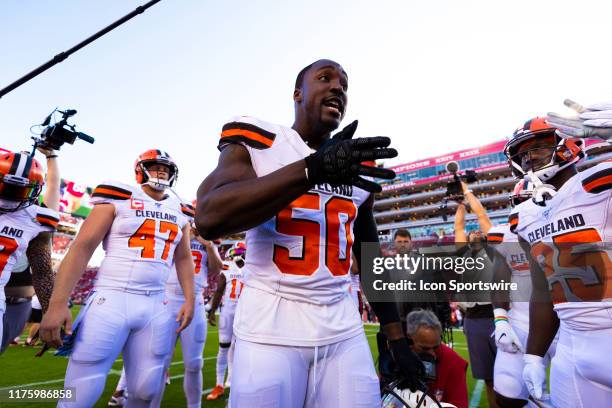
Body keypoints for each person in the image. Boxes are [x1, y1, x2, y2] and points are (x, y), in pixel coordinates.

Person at [196, 59, 422, 407]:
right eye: (325, 78)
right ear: (297, 94)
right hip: (270, 327)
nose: (337, 88)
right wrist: (310, 169)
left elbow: (369, 255)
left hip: (341, 324)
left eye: (344, 85)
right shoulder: (262, 141)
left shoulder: (355, 163)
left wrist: (396, 338)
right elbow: (210, 217)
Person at [40, 149, 196, 408]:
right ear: (140, 170)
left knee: (146, 390)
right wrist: (58, 303)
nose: (161, 172)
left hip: (157, 305)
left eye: (166, 169)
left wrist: (190, 298)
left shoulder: (180, 211)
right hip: (111, 299)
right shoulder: (118, 197)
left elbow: (184, 259)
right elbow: (82, 246)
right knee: (81, 390)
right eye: (156, 167)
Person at [506, 117, 612, 407]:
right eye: (522, 154)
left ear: (566, 144)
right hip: (572, 347)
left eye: (538, 147)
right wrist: (534, 356)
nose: (528, 159)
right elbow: (543, 288)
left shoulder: (598, 185)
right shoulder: (524, 216)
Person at [488, 179, 556, 407]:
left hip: (567, 324)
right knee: (508, 394)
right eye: (520, 202)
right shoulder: (504, 235)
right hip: (521, 323)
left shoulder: (566, 226)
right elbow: (499, 280)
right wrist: (500, 321)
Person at [1, 146, 60, 352]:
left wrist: (50, 312)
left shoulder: (35, 219)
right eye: (7, 186)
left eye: (20, 189)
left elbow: (42, 273)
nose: (12, 195)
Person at [453, 181, 498, 408]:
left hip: (497, 316)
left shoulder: (493, 248)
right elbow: (459, 227)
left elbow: (481, 215)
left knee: (510, 374)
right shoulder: (463, 253)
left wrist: (467, 191)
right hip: (473, 319)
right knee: (489, 379)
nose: (476, 231)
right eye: (473, 232)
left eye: (479, 231)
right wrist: (461, 203)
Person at [206, 242, 246, 401]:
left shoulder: (252, 267)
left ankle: (233, 380)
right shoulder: (228, 268)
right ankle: (219, 384)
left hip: (245, 313)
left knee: (240, 348)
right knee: (224, 347)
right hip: (229, 312)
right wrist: (212, 311)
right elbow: (220, 289)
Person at [405, 309, 468, 408]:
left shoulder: (454, 362)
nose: (432, 354)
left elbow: (460, 404)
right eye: (425, 348)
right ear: (409, 338)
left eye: (436, 347)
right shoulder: (396, 358)